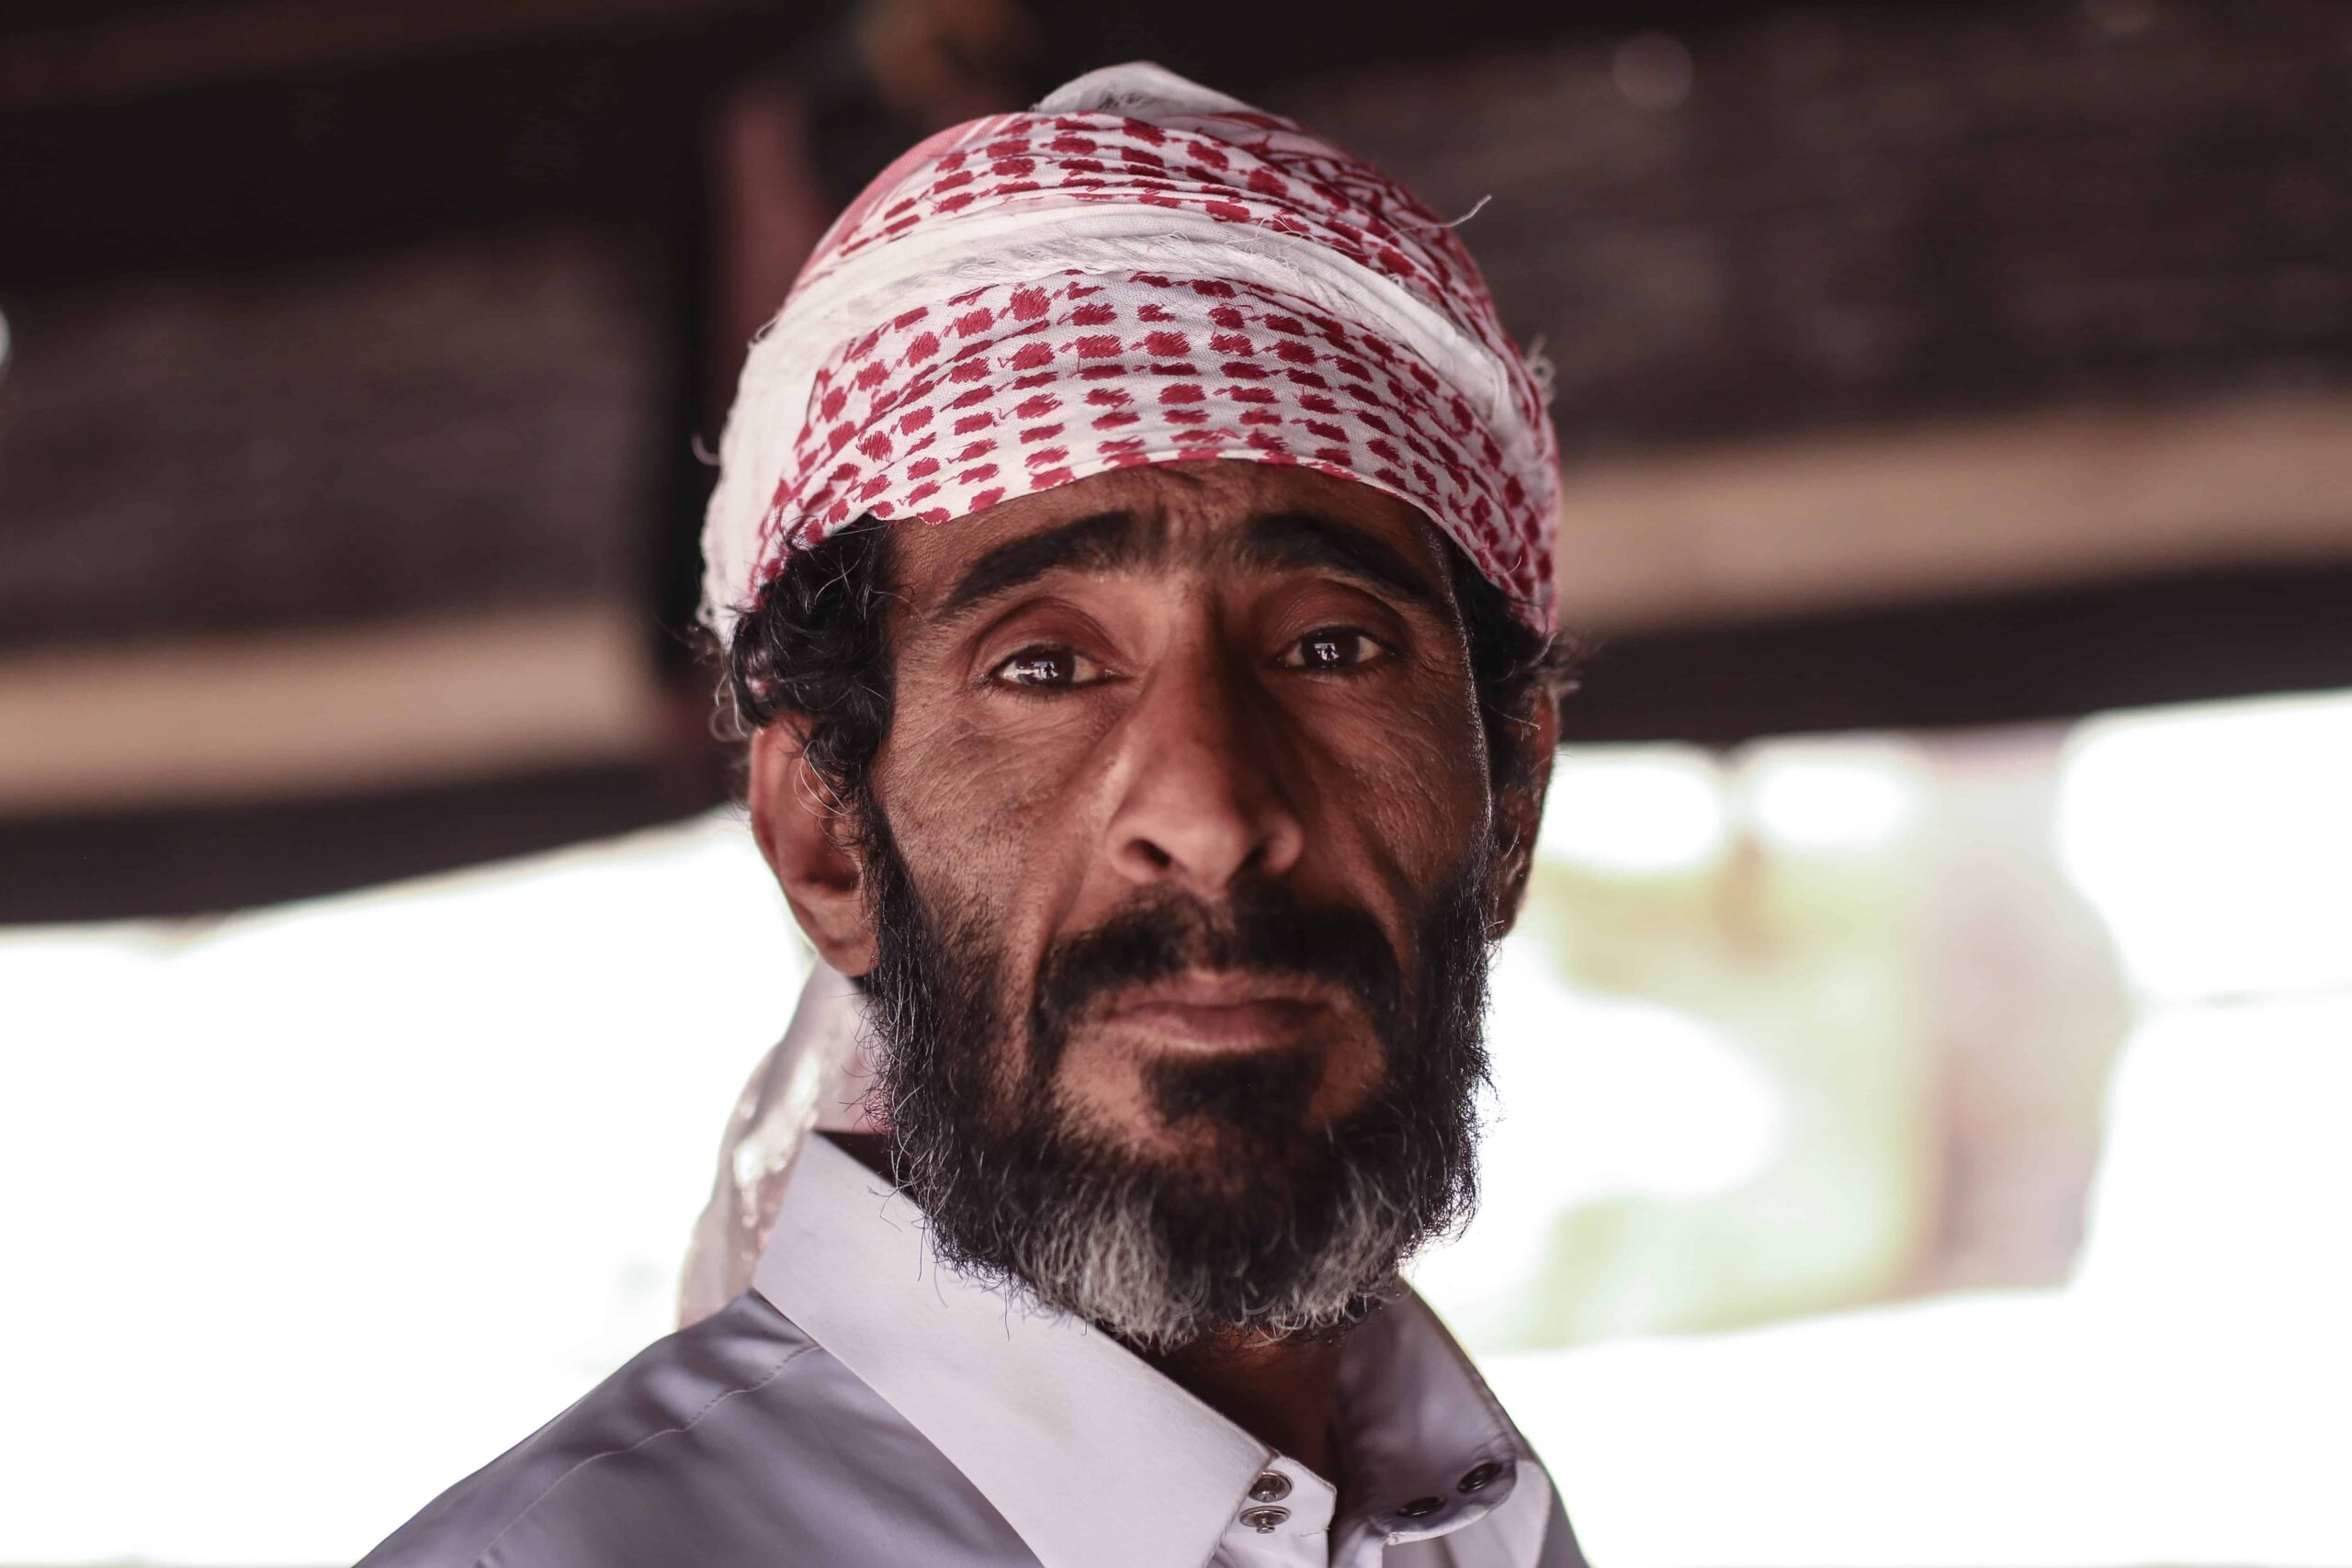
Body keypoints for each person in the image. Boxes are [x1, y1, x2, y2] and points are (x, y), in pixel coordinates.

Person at [362, 62, 1583, 1568]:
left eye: (1331, 647)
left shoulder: (1482, 1526)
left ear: (1512, 792)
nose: (1209, 815)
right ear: (826, 835)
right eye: (1048, 667)